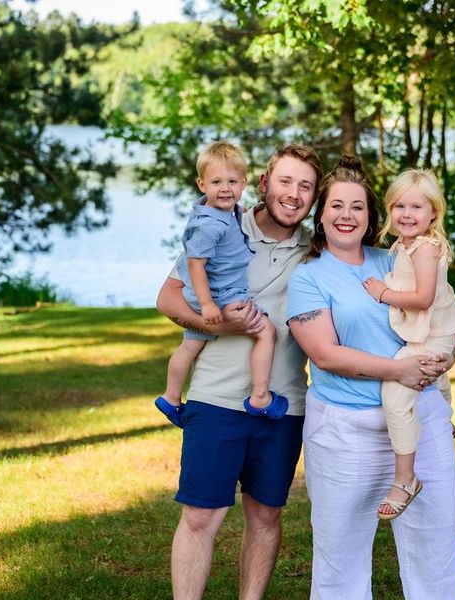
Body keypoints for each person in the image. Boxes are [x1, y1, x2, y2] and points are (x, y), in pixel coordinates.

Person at [286, 156, 455, 599]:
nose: (347, 215)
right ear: (321, 214)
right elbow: (325, 355)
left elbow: (443, 316)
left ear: (370, 217)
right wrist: (399, 370)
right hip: (347, 429)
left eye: (357, 207)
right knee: (340, 553)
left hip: (420, 419)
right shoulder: (308, 277)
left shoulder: (400, 257)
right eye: (337, 206)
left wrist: (451, 352)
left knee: (435, 543)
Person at [156, 143, 327, 600]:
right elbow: (168, 299)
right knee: (199, 517)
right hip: (214, 399)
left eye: (305, 187)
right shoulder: (220, 224)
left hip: (283, 405)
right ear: (265, 183)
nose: (294, 194)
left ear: (313, 198)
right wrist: (216, 321)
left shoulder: (318, 249)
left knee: (266, 516)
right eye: (286, 182)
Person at [154, 141, 286, 426]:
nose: (225, 189)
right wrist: (207, 306)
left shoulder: (225, 212)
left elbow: (233, 215)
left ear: (244, 183)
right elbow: (195, 265)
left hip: (215, 292)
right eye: (216, 182)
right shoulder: (209, 225)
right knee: (266, 332)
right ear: (201, 184)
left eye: (232, 182)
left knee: (190, 347)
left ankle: (171, 397)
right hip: (221, 294)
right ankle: (260, 396)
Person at [360, 169, 455, 520]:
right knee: (435, 376)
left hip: (430, 335)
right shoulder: (403, 245)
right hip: (433, 331)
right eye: (399, 206)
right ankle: (445, 420)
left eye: (416, 207)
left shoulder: (425, 247)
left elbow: (422, 298)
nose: (406, 214)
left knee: (395, 392)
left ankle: (405, 479)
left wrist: (382, 293)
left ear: (434, 212)